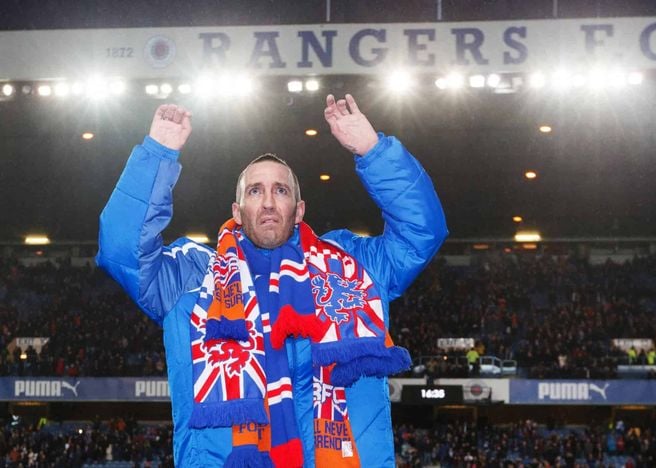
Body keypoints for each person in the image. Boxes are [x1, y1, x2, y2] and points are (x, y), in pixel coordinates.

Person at [96, 94, 447, 467]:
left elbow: (421, 234)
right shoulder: (192, 278)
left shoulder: (353, 266)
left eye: (280, 191)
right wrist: (157, 156)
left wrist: (373, 151)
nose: (267, 202)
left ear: (298, 210)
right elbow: (122, 251)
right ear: (237, 209)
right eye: (255, 190)